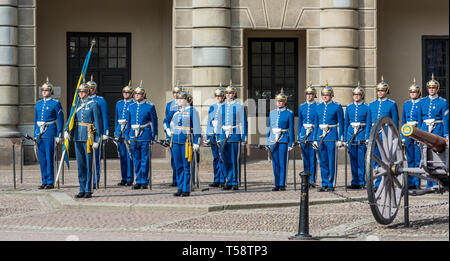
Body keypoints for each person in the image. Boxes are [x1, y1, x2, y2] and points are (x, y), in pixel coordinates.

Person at [64, 81, 101, 198]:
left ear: (88, 92)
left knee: (89, 164)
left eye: (83, 92)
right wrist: (66, 130)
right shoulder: (76, 105)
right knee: (80, 165)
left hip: (89, 137)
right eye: (80, 92)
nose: (81, 94)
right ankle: (81, 188)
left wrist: (97, 139)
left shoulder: (93, 104)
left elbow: (98, 123)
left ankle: (88, 189)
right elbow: (71, 119)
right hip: (77, 137)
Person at [164, 91, 201, 197]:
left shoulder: (192, 111)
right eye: (178, 99)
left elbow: (197, 127)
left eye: (181, 99)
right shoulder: (174, 111)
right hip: (175, 141)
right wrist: (167, 130)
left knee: (186, 166)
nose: (179, 101)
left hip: (187, 141)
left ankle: (186, 188)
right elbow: (165, 121)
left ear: (186, 100)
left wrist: (196, 142)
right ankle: (180, 187)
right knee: (178, 165)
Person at [365, 76, 399, 188]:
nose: (380, 92)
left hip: (386, 135)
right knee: (375, 159)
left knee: (385, 160)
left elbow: (394, 122)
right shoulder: (372, 105)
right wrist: (367, 136)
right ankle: (376, 181)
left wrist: (395, 137)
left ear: (386, 92)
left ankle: (381, 183)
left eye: (382, 90)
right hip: (375, 135)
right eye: (378, 90)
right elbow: (369, 122)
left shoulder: (392, 104)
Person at [418, 74, 449, 189]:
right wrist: (419, 134)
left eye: (433, 88)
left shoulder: (443, 102)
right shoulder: (422, 102)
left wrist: (446, 135)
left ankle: (437, 183)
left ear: (437, 89)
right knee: (425, 156)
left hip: (438, 129)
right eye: (430, 88)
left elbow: (445, 120)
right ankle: (428, 183)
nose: (431, 90)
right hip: (425, 129)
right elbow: (420, 119)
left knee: (437, 157)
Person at [34, 77, 64, 190]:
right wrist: (35, 133)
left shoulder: (55, 103)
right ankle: (44, 180)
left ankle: (50, 181)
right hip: (40, 134)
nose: (44, 92)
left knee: (49, 158)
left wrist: (59, 134)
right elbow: (35, 120)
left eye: (46, 90)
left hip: (50, 133)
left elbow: (60, 119)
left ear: (51, 91)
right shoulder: (38, 104)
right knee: (42, 159)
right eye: (43, 90)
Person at [126, 82, 158, 189]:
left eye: (138, 94)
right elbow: (128, 122)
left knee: (145, 159)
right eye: (135, 94)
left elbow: (154, 121)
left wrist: (155, 135)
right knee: (136, 159)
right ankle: (138, 179)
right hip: (133, 136)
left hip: (145, 135)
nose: (136, 96)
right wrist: (127, 136)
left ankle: (144, 180)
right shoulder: (131, 106)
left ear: (144, 95)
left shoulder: (150, 106)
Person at [217, 82, 248, 191]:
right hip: (224, 134)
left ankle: (235, 181)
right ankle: (228, 180)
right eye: (227, 93)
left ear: (234, 94)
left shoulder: (239, 106)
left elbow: (244, 122)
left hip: (235, 134)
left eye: (231, 93)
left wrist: (244, 137)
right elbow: (219, 122)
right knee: (226, 159)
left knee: (235, 159)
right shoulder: (222, 107)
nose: (229, 95)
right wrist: (218, 136)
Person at [314, 82, 344, 192]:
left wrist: (341, 138)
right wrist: (315, 139)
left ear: (331, 95)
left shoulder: (337, 106)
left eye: (327, 94)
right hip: (320, 137)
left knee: (332, 161)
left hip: (331, 136)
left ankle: (331, 183)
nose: (325, 97)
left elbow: (341, 123)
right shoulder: (318, 107)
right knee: (322, 161)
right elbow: (316, 124)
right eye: (323, 95)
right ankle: (324, 183)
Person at [266, 89, 295, 191]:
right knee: (275, 163)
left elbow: (291, 129)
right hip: (273, 140)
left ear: (284, 102)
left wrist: (291, 143)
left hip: (283, 139)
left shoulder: (289, 113)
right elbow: (269, 128)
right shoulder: (272, 113)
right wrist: (267, 142)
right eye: (278, 101)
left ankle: (282, 183)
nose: (279, 103)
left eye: (281, 101)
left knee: (283, 162)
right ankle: (276, 183)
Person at [344, 83, 369, 189]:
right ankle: (355, 181)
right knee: (353, 160)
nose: (356, 96)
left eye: (358, 95)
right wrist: (345, 138)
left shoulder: (367, 107)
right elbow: (346, 124)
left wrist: (367, 136)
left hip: (361, 135)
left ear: (362, 96)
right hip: (351, 136)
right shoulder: (349, 107)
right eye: (354, 95)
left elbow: (368, 123)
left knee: (361, 160)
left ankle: (362, 181)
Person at [87, 76, 110, 189]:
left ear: (95, 89)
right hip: (85, 133)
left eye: (92, 88)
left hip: (96, 132)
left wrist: (105, 132)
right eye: (88, 88)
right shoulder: (82, 101)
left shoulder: (100, 100)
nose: (90, 90)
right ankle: (87, 180)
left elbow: (105, 116)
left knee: (96, 158)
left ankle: (96, 180)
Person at [401, 78, 422, 189]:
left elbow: (421, 120)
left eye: (414, 92)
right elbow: (403, 120)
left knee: (418, 158)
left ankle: (417, 182)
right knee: (410, 159)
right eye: (411, 92)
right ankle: (410, 183)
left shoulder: (422, 103)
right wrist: (403, 136)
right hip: (408, 133)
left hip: (418, 131)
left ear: (418, 93)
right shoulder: (406, 104)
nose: (412, 94)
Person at [114, 81, 136, 186]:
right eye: (124, 92)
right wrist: (116, 132)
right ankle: (123, 178)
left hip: (128, 132)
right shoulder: (119, 103)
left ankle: (129, 178)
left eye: (127, 93)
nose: (125, 94)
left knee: (129, 157)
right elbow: (116, 118)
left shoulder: (133, 104)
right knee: (122, 156)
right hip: (120, 132)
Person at [298, 82, 319, 187]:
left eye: (311, 94)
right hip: (303, 134)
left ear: (314, 95)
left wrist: (315, 137)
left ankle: (312, 180)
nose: (309, 96)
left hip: (312, 134)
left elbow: (317, 122)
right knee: (305, 158)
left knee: (312, 158)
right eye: (307, 94)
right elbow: (299, 123)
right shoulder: (302, 107)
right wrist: (299, 136)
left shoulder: (318, 106)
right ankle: (305, 179)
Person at [205, 86, 225, 188]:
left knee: (222, 157)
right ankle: (216, 179)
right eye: (217, 95)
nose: (218, 97)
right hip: (213, 135)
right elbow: (209, 121)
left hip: (221, 135)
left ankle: (223, 179)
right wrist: (208, 135)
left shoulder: (226, 106)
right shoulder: (212, 107)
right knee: (216, 158)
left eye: (220, 95)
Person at [164, 85, 183, 187]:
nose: (176, 95)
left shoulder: (186, 105)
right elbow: (166, 119)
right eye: (174, 93)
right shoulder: (169, 105)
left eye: (178, 93)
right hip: (172, 134)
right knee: (174, 159)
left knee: (182, 159)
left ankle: (181, 179)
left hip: (182, 134)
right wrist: (167, 134)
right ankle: (175, 179)